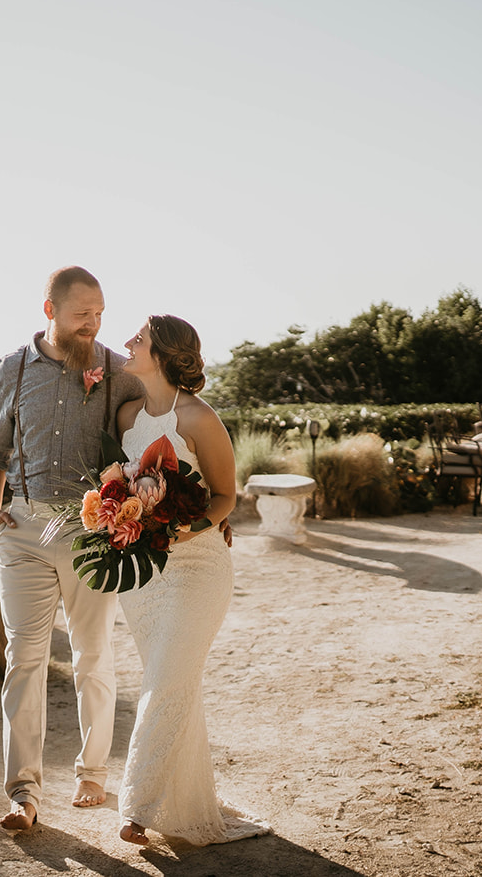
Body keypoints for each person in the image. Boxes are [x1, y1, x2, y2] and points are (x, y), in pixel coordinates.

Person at [0, 266, 145, 832]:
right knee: (23, 657)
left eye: (99, 314)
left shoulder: (120, 372)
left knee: (92, 655)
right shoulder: (12, 367)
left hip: (90, 536)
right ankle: (23, 792)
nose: (93, 325)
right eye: (81, 315)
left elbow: (151, 437)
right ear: (50, 311)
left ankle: (93, 771)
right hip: (22, 533)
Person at [113, 314, 269, 846]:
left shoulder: (200, 419)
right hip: (142, 573)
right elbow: (119, 484)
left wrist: (183, 531)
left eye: (139, 338)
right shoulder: (127, 416)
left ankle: (135, 805)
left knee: (166, 680)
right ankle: (184, 802)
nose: (127, 342)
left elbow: (227, 496)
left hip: (197, 565)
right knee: (173, 682)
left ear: (160, 354)